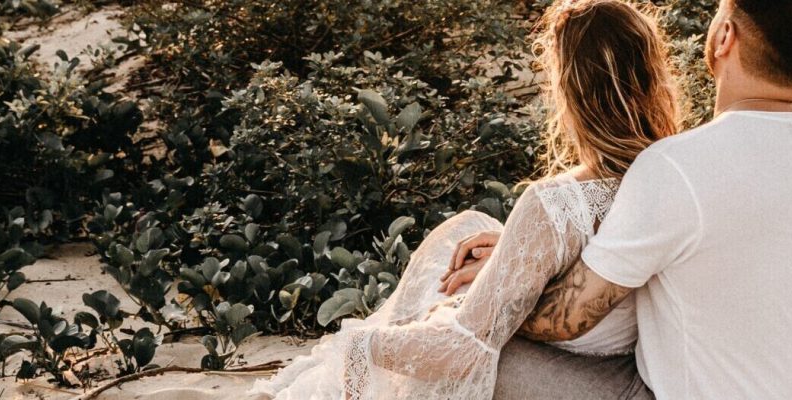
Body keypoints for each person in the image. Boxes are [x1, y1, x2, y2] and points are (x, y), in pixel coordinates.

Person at [249, 1, 678, 398]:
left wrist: (358, 346)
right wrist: (509, 258)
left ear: (566, 92)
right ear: (654, 76)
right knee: (475, 229)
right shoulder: (672, 177)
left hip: (575, 379)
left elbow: (463, 351)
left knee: (424, 316)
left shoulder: (554, 203)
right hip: (621, 367)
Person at [456, 0, 792, 398]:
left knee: (480, 348)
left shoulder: (678, 166)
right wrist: (516, 254)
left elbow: (562, 321)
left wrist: (509, 279)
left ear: (725, 35)